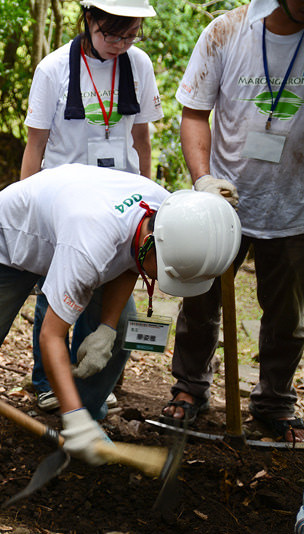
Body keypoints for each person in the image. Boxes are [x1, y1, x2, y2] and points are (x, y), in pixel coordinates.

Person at [0, 164, 241, 464]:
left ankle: (87, 415)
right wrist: (71, 414)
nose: (161, 282)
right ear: (150, 246)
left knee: (124, 326)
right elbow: (51, 336)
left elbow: (130, 261)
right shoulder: (91, 243)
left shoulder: (166, 214)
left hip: (71, 235)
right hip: (14, 240)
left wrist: (107, 326)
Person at [159, 0, 304, 443]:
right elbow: (194, 113)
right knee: (201, 300)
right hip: (223, 202)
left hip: (295, 206)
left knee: (289, 315)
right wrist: (203, 182)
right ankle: (190, 387)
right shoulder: (227, 32)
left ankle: (275, 400)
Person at [17, 0, 163, 413]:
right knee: (58, 294)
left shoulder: (139, 65)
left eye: (131, 33)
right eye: (112, 34)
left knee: (111, 291)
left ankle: (89, 380)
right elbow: (36, 144)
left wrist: (148, 194)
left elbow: (141, 138)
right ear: (89, 19)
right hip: (66, 202)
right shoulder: (54, 69)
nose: (121, 44)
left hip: (123, 201)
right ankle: (47, 379)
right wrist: (27, 202)